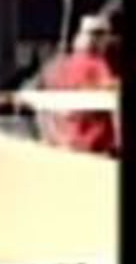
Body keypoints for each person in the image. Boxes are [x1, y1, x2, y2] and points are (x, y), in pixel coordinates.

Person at [38, 14, 119, 157]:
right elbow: (106, 88)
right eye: (106, 37)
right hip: (93, 141)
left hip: (64, 137)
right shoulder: (96, 63)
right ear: (100, 38)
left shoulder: (64, 64)